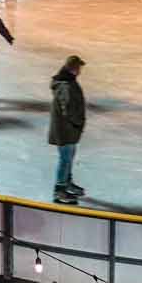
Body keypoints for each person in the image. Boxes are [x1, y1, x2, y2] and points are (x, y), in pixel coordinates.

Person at [48, 55, 87, 204]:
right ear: (73, 69)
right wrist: (77, 123)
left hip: (68, 130)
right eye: (79, 68)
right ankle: (59, 190)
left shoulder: (68, 81)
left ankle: (67, 182)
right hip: (65, 130)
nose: (80, 71)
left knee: (68, 158)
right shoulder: (66, 86)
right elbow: (68, 109)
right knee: (65, 159)